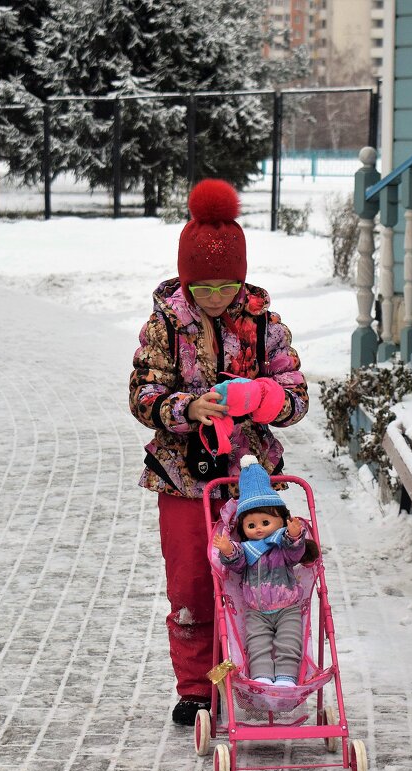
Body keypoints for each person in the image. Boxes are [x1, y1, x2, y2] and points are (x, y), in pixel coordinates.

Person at [129, 178, 308, 725]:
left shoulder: (263, 326)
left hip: (252, 484)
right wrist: (185, 408)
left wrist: (262, 397)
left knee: (257, 579)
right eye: (203, 286)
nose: (215, 296)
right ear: (186, 279)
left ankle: (258, 675)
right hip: (182, 479)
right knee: (191, 586)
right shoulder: (164, 326)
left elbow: (297, 398)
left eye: (226, 284)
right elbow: (142, 395)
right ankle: (198, 689)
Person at [213, 455, 317, 687]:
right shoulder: (246, 549)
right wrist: (229, 551)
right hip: (255, 610)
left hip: (287, 607)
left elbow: (295, 554)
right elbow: (238, 566)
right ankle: (261, 679)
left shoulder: (283, 544)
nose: (258, 529)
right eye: (251, 525)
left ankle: (286, 680)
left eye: (265, 522)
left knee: (288, 643)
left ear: (280, 520)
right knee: (257, 644)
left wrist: (294, 536)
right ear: (243, 528)